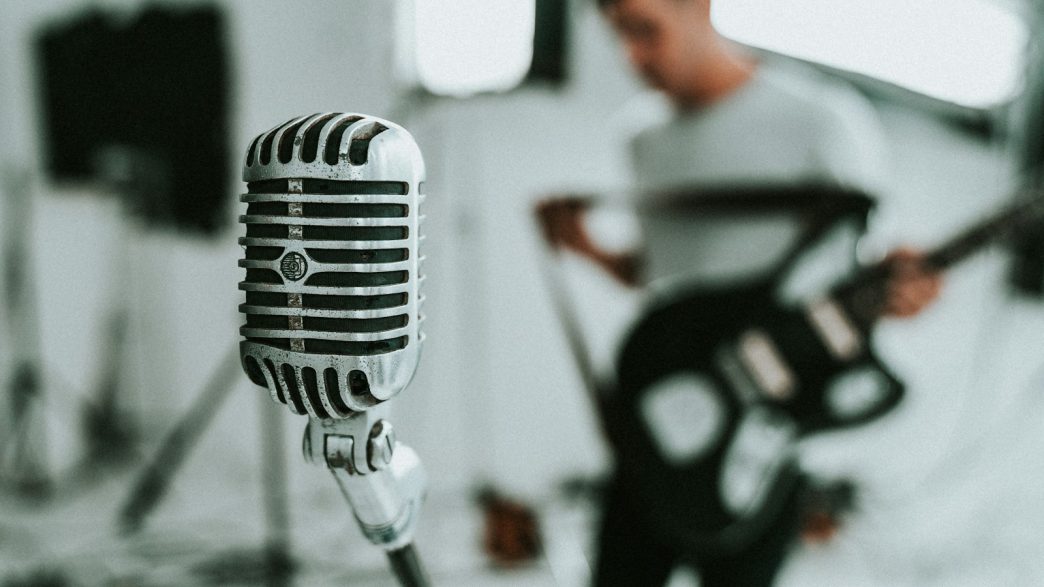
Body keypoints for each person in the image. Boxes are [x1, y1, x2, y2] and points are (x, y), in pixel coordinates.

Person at [537, 0, 943, 585]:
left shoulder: (821, 119)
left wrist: (907, 288)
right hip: (666, 409)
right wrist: (586, 247)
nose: (632, 56)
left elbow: (864, 270)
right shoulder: (642, 138)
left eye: (645, 29)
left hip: (763, 430)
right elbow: (660, 270)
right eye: (617, 35)